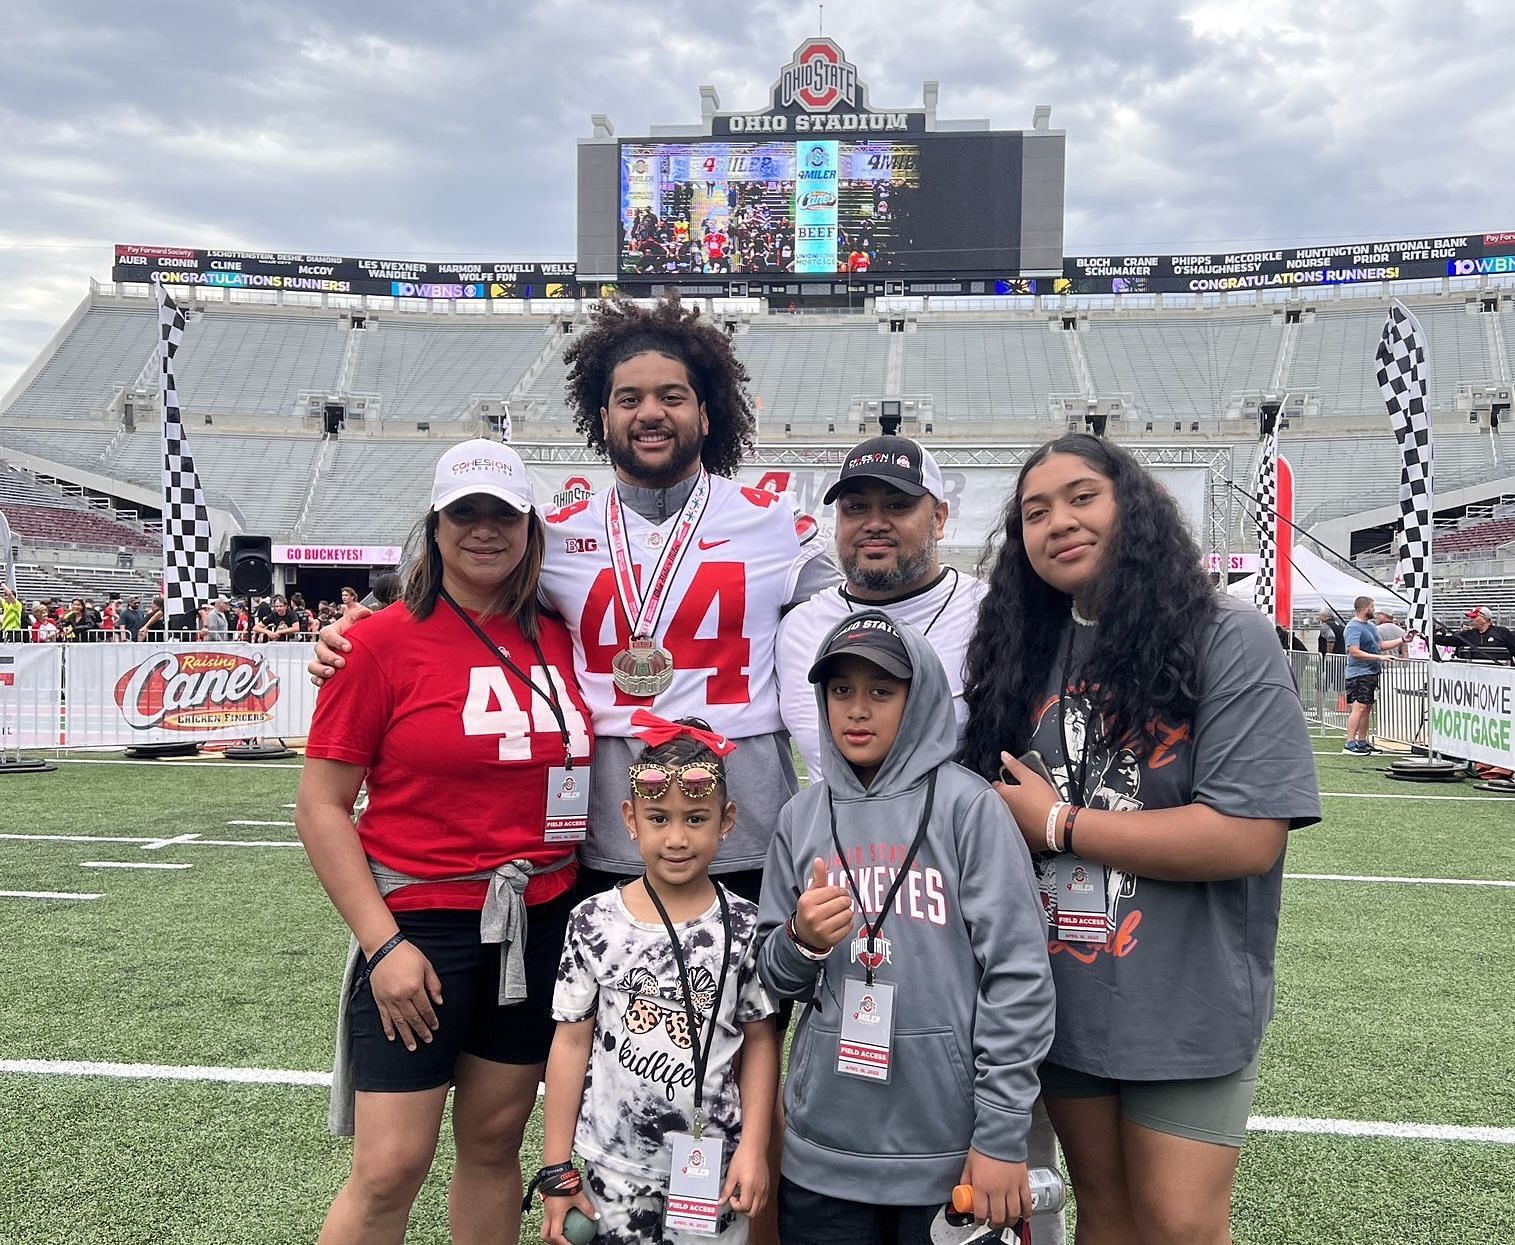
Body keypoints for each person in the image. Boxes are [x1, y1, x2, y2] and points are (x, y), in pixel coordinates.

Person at [314, 297, 836, 906]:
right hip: (609, 825)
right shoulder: (556, 534)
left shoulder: (774, 524)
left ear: (707, 413)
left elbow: (857, 618)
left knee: (747, 1000)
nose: (651, 413)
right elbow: (460, 592)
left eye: (672, 396)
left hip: (743, 817)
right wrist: (368, 625)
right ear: (603, 417)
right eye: (629, 399)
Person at [959, 434, 1320, 1245]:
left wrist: (1059, 824)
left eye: (1081, 496)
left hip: (1183, 998)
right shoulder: (1024, 646)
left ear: (1137, 502)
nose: (1057, 522)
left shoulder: (1226, 634)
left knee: (1179, 1223)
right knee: (1106, 1214)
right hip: (1061, 995)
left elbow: (1244, 836)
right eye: (1033, 512)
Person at [295, 439, 594, 1245]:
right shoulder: (377, 643)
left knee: (495, 1144)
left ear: (530, 527)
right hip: (421, 925)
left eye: (503, 513)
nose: (485, 530)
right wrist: (381, 939)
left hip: (541, 919)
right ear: (435, 524)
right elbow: (321, 806)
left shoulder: (567, 634)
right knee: (389, 1165)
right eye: (466, 513)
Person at [773, 434, 1066, 1245]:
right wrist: (796, 940)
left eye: (896, 505)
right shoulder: (799, 630)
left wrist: (999, 1128)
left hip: (955, 1040)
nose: (875, 522)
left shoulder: (991, 614)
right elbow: (775, 964)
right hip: (836, 1105)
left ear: (938, 515)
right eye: (856, 506)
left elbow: (1015, 969)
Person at [539, 715, 779, 1245]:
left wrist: (754, 1147)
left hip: (712, 1171)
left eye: (696, 818)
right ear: (630, 819)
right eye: (658, 818)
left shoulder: (745, 927)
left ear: (727, 820)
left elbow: (760, 1043)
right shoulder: (593, 922)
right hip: (610, 1169)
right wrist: (557, 1167)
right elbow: (571, 1042)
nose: (676, 838)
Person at [1343, 595, 1387, 755]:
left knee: (1366, 707)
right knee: (1359, 707)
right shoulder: (1353, 627)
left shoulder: (1370, 626)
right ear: (1366, 608)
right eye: (1373, 606)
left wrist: (1402, 639)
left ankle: (1362, 741)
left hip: (1371, 672)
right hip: (1359, 673)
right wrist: (1379, 657)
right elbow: (1354, 651)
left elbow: (1380, 645)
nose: (1374, 610)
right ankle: (1350, 742)